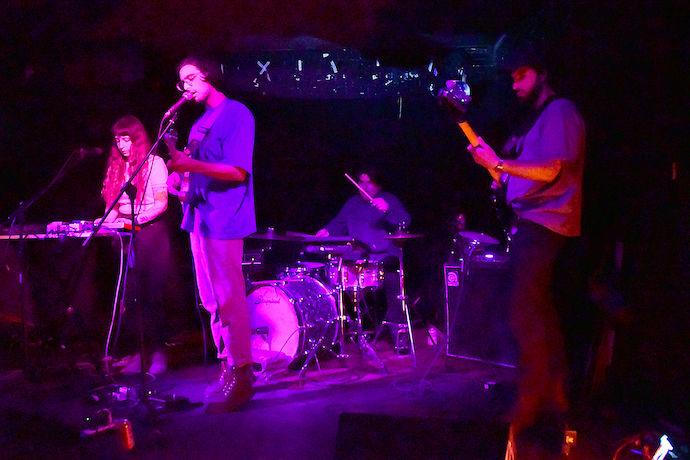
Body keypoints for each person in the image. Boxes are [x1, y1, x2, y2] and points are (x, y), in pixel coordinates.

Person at [466, 46, 586, 444]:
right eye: (511, 77)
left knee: (521, 310)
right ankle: (556, 393)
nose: (514, 84)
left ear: (543, 72)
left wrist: (500, 164)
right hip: (531, 220)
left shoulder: (560, 111)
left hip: (546, 222)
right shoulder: (535, 121)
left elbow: (552, 169)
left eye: (522, 75)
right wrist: (494, 167)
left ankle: (531, 400)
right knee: (538, 310)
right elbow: (522, 176)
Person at [166, 54, 256, 412]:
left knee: (229, 296)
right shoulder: (199, 123)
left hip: (224, 218)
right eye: (181, 81)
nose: (185, 86)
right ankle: (227, 365)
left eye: (190, 78)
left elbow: (237, 171)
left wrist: (190, 164)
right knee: (210, 299)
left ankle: (244, 373)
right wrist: (180, 180)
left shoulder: (237, 114)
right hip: (198, 218)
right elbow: (194, 172)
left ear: (209, 76)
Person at [100, 115, 171, 375]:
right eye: (118, 140)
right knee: (130, 297)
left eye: (126, 139)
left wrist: (135, 219)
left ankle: (159, 353)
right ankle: (139, 353)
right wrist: (105, 222)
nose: (121, 145)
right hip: (126, 235)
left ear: (136, 139)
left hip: (150, 234)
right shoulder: (118, 167)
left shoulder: (154, 163)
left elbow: (161, 203)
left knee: (152, 294)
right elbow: (113, 206)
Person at [315, 166, 412, 351]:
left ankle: (397, 334)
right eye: (361, 182)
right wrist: (327, 230)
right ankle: (346, 333)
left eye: (370, 183)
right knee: (335, 283)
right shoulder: (352, 203)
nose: (365, 187)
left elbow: (405, 221)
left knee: (394, 283)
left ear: (378, 185)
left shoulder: (388, 200)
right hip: (357, 260)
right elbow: (339, 223)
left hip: (384, 259)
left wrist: (388, 210)